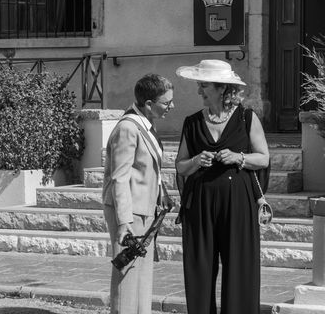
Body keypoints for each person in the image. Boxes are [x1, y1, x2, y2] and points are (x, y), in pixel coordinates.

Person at [175, 59, 270, 314]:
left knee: (239, 265)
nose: (199, 91)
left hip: (238, 202)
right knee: (200, 267)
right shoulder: (192, 122)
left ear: (221, 88)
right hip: (200, 203)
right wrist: (196, 160)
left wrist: (239, 157)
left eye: (203, 86)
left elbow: (264, 157)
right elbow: (180, 166)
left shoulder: (247, 118)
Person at [102, 73, 174, 314]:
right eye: (166, 102)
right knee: (127, 276)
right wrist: (124, 222)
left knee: (142, 277)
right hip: (130, 213)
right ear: (149, 104)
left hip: (145, 209)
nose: (171, 107)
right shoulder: (128, 128)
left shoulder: (145, 124)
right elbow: (119, 177)